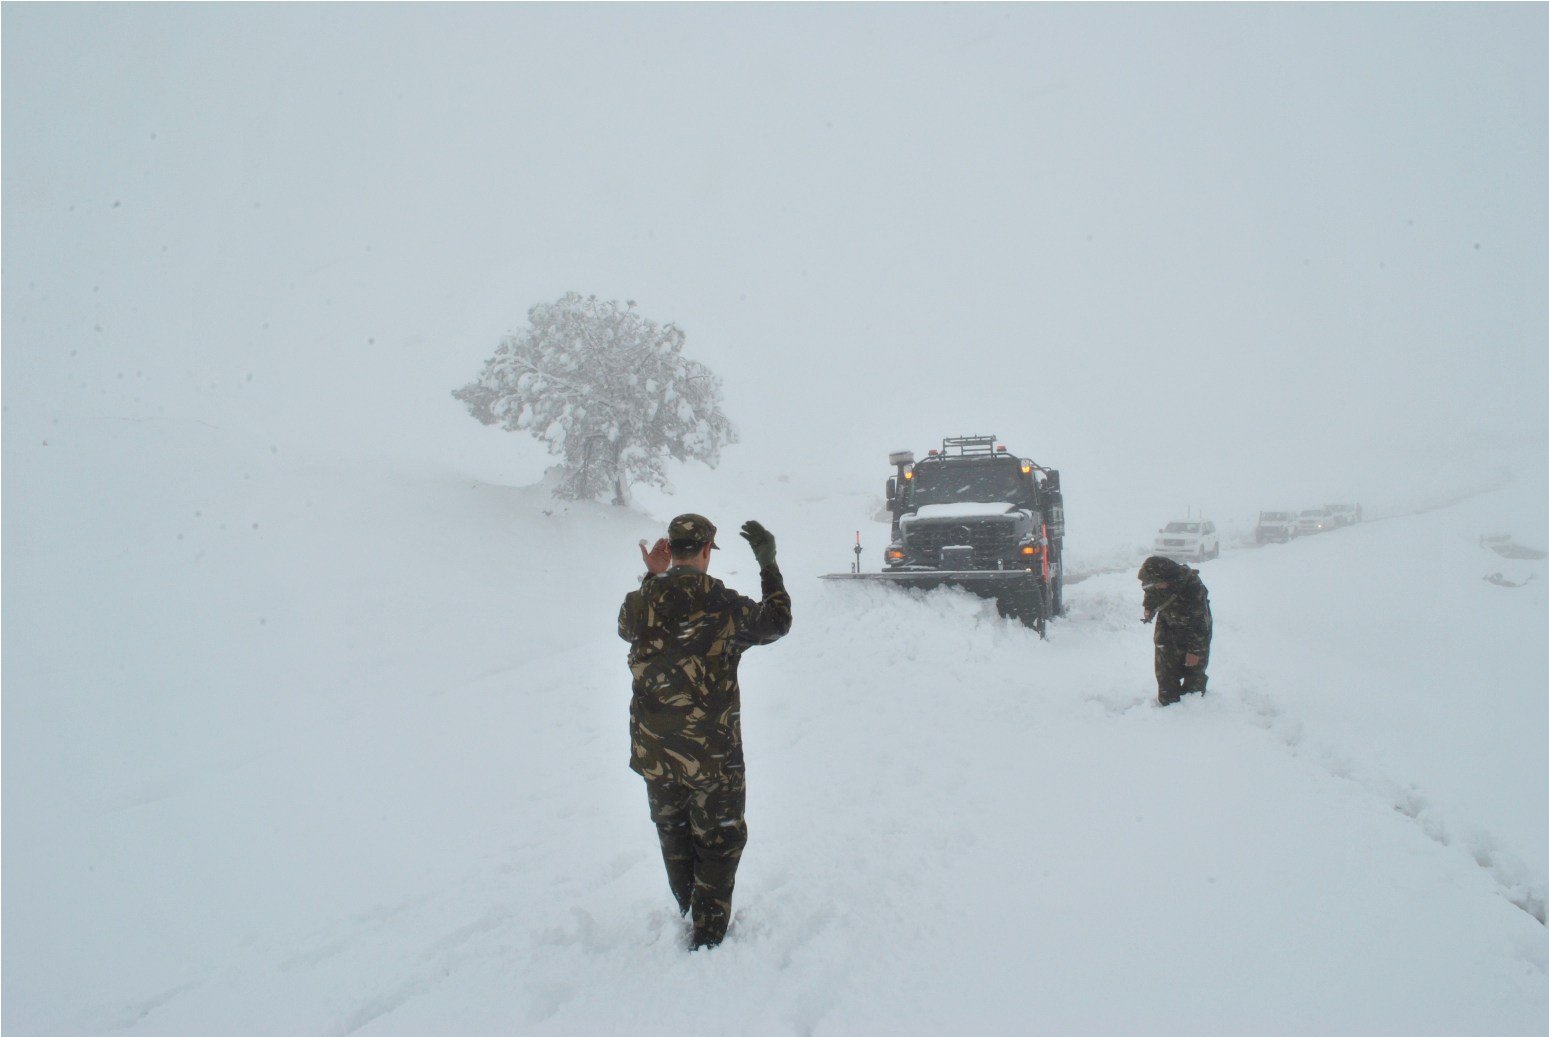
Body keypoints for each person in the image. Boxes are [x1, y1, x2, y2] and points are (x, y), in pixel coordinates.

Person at [617, 513, 792, 950]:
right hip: (711, 757)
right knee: (719, 838)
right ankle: (708, 937)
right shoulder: (723, 605)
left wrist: (652, 578)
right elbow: (778, 621)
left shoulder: (639, 602)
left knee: (672, 831)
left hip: (656, 752)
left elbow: (627, 627)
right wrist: (768, 564)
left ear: (671, 549)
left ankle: (687, 908)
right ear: (708, 550)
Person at [1138, 555, 1212, 706]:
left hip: (1194, 634)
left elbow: (1200, 622)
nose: (1156, 587)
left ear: (1168, 577)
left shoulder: (1192, 586)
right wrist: (1149, 608)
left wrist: (1194, 651)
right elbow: (1150, 593)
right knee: (1166, 681)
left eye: (1158, 583)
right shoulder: (1156, 581)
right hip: (1167, 629)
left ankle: (1192, 717)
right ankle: (1169, 712)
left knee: (1194, 686)